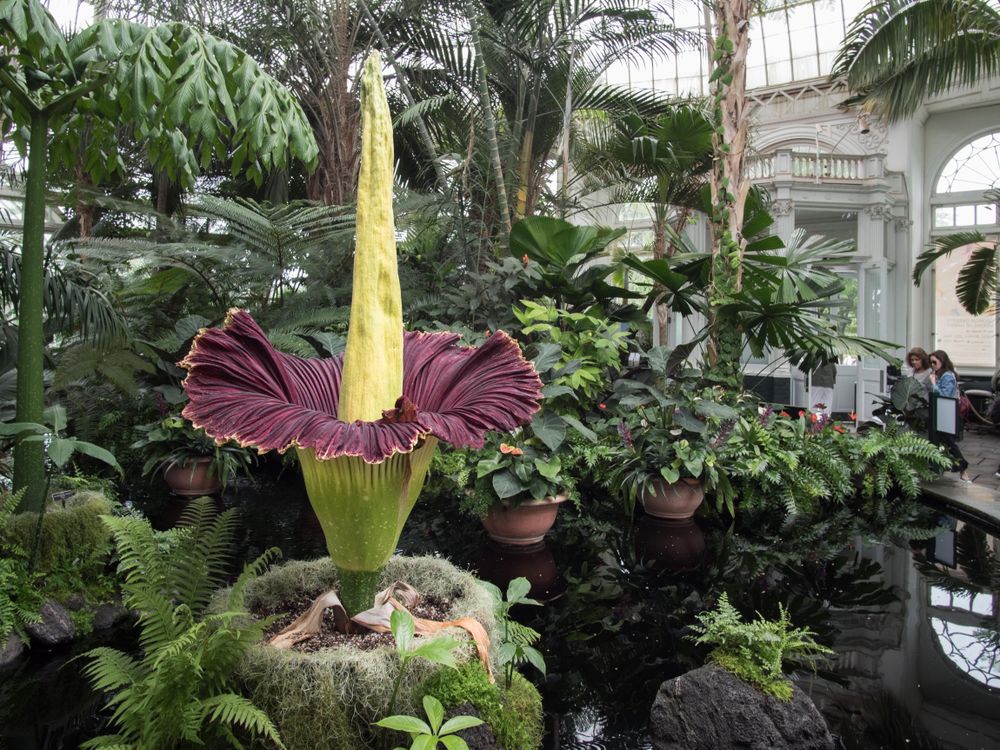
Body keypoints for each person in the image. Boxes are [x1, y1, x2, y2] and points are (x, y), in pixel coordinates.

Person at [929, 349, 971, 482]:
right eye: (931, 363)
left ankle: (963, 468)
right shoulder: (940, 374)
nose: (932, 365)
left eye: (934, 362)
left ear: (942, 361)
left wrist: (934, 383)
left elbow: (945, 395)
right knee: (947, 442)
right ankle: (958, 468)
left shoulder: (947, 375)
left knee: (950, 442)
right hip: (941, 412)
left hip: (946, 413)